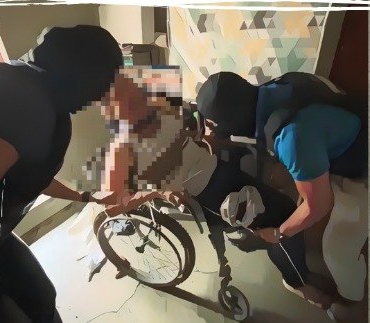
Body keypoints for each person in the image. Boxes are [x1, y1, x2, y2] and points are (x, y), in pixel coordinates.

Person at [97, 69, 333, 309]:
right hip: (210, 192)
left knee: (281, 207)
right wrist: (161, 193)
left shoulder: (158, 115)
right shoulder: (126, 150)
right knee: (278, 222)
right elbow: (134, 192)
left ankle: (298, 268)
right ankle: (297, 282)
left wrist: (200, 137)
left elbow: (189, 133)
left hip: (219, 169)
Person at [0, 25, 123, 323]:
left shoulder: (43, 100)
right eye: (101, 86)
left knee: (41, 297)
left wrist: (85, 196)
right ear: (81, 75)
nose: (100, 98)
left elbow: (28, 176)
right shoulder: (23, 102)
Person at [197, 71, 367, 307]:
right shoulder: (284, 83)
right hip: (355, 125)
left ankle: (350, 302)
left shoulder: (292, 137)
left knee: (338, 249)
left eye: (215, 127)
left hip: (364, 166)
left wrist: (279, 232)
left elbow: (318, 206)